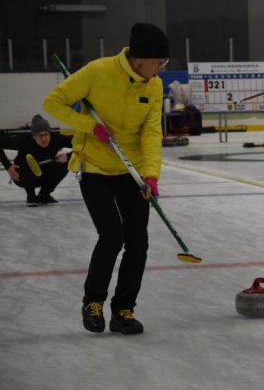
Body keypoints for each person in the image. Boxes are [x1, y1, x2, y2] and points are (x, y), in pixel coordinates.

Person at [43, 22, 169, 335]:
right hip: (94, 167)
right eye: (160, 62)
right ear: (140, 59)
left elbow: (152, 131)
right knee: (112, 234)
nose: (162, 69)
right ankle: (93, 302)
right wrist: (89, 126)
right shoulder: (98, 72)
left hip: (132, 170)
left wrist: (151, 175)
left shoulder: (153, 86)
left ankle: (123, 309)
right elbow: (52, 103)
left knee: (138, 240)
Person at [0, 114, 72, 206]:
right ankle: (31, 196)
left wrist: (68, 156)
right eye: (40, 135)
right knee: (29, 162)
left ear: (50, 133)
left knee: (65, 163)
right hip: (21, 177)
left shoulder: (57, 139)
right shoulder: (24, 141)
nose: (44, 138)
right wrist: (8, 166)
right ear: (34, 137)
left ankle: (44, 194)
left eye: (46, 134)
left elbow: (81, 144)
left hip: (45, 175)